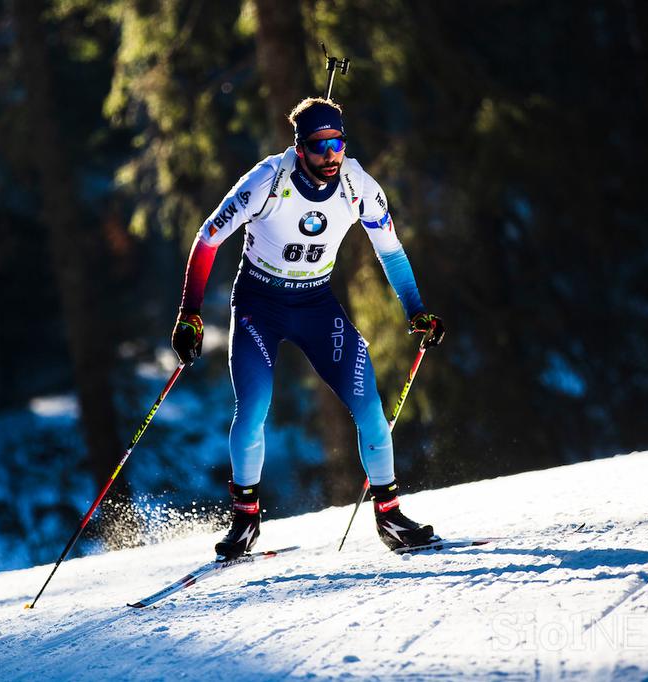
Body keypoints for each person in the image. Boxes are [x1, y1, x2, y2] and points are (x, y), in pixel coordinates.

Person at [170, 97, 445, 559]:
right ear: (300, 149)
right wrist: (190, 313)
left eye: (338, 143)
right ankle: (246, 520)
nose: (331, 155)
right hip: (260, 301)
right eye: (320, 147)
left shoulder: (357, 184)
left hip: (316, 303)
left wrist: (415, 309)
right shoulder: (267, 180)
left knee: (369, 404)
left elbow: (391, 251)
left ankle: (390, 516)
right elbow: (207, 239)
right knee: (254, 405)